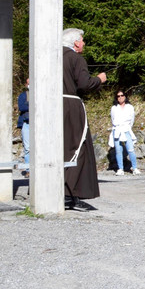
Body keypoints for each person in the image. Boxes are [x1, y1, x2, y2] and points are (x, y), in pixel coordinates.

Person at [62, 28, 107, 202]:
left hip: (49, 106)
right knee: (78, 147)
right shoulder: (75, 58)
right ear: (76, 43)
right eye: (82, 40)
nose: (84, 43)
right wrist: (99, 79)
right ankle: (70, 191)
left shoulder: (51, 57)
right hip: (70, 106)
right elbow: (84, 84)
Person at [110, 91, 139, 175]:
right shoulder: (114, 108)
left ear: (125, 96)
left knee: (130, 149)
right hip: (117, 129)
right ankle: (120, 169)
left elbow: (132, 120)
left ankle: (135, 168)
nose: (120, 97)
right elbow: (113, 119)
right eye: (118, 96)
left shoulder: (130, 107)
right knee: (118, 150)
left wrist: (128, 127)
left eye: (122, 95)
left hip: (126, 129)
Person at [17, 79, 30, 176]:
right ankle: (29, 170)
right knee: (28, 148)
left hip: (39, 124)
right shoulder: (23, 95)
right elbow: (21, 107)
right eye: (29, 83)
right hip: (27, 124)